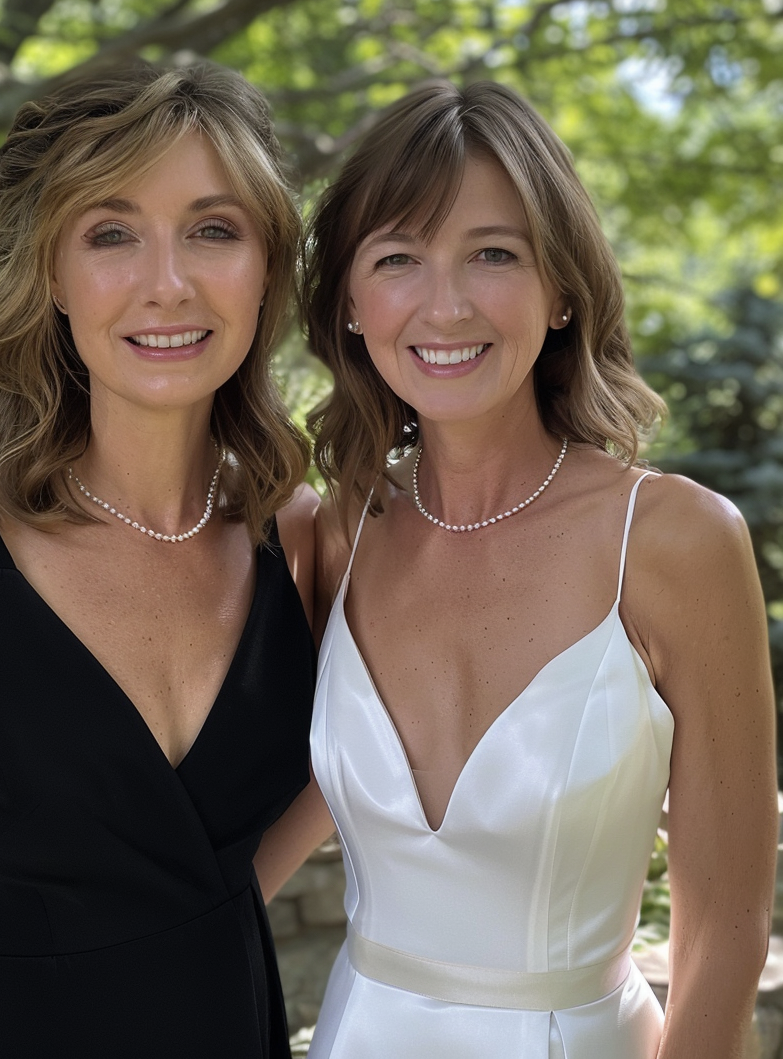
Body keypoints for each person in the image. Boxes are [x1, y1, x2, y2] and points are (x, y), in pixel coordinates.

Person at [260, 79, 777, 1058]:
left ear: (562, 290)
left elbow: (725, 936)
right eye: (398, 258)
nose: (444, 302)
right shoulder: (334, 536)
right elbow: (259, 830)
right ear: (353, 307)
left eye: (492, 253)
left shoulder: (673, 540)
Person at [0, 61, 319, 1059]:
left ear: (265, 265)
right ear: (52, 275)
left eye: (213, 229)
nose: (169, 282)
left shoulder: (305, 537)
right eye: (112, 233)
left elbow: (366, 770)